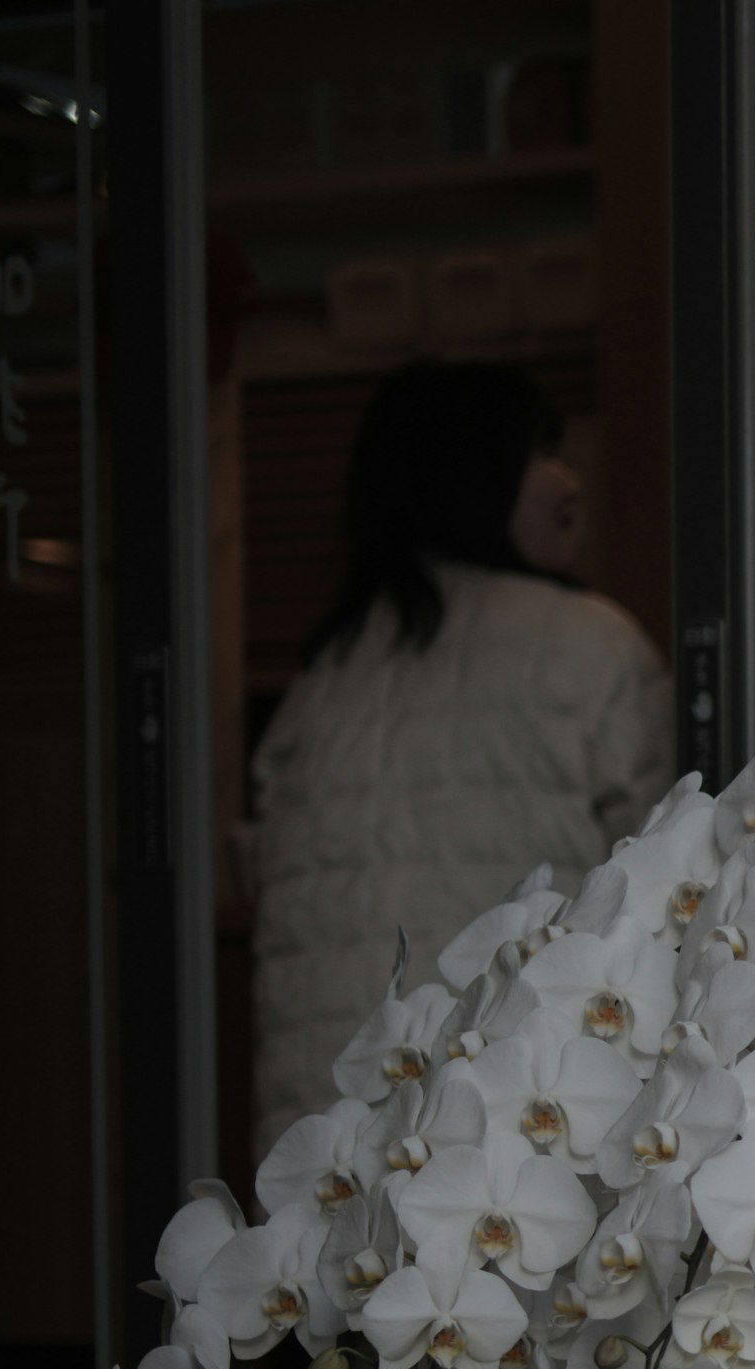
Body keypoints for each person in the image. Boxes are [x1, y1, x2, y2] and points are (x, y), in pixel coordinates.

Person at [242, 362, 671, 1151]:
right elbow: (667, 893)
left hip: (321, 1137)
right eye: (542, 452)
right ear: (477, 474)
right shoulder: (591, 645)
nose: (569, 478)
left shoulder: (322, 675)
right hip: (518, 1123)